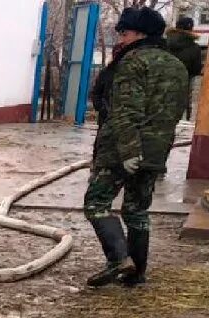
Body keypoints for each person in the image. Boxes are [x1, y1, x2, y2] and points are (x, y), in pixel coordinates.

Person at [84, 7, 188, 288]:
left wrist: (129, 151)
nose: (121, 38)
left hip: (122, 148)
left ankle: (119, 259)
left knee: (96, 203)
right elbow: (176, 112)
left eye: (125, 32)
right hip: (156, 151)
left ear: (141, 34)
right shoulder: (177, 66)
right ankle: (137, 274)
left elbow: (126, 111)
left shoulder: (133, 62)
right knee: (137, 211)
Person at [166, 16, 203, 120]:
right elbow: (196, 69)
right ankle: (186, 120)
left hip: (166, 80)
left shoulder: (165, 43)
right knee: (185, 103)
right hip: (186, 80)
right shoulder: (195, 48)